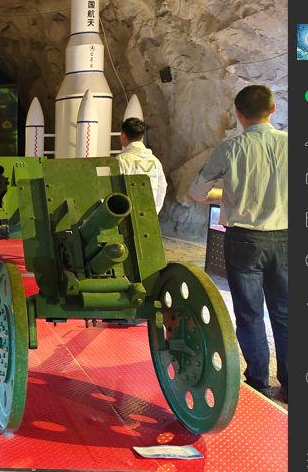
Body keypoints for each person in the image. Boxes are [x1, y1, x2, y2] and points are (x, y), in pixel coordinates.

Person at [188, 84, 288, 402]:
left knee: (249, 314)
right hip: (288, 238)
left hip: (244, 239)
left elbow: (197, 192)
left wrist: (226, 195)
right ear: (273, 109)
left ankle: (258, 384)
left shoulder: (230, 149)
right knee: (286, 314)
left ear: (238, 114)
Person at [116, 117, 167, 214]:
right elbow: (162, 187)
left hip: (127, 214)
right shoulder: (155, 161)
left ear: (124, 135)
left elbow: (115, 188)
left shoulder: (122, 159)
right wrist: (155, 211)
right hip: (150, 213)